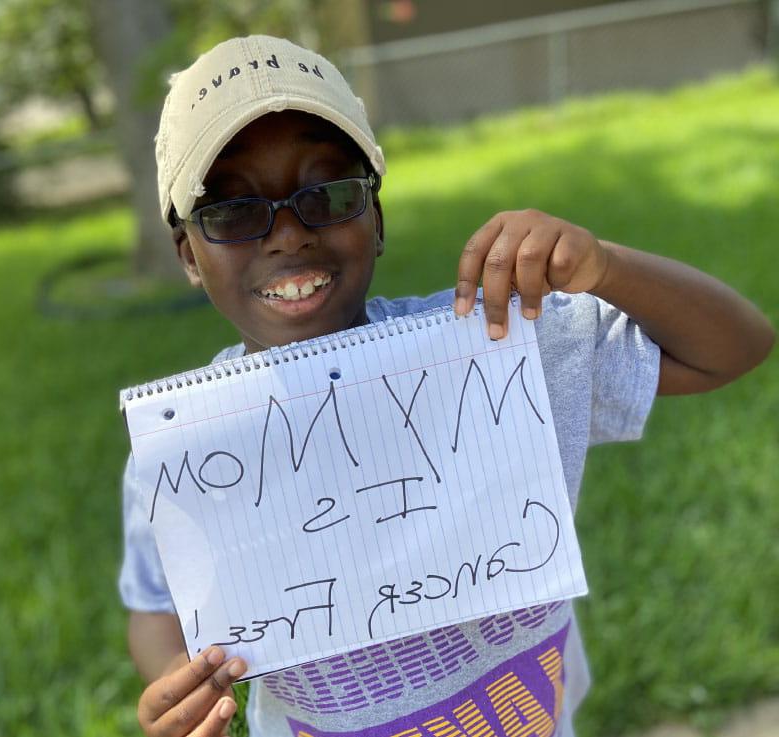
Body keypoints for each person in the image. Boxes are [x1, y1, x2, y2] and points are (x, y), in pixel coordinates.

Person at [119, 35, 774, 737]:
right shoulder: (187, 450)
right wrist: (173, 686)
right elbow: (157, 605)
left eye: (329, 191)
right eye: (233, 211)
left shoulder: (500, 347)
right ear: (189, 252)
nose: (287, 234)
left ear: (376, 216)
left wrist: (603, 267)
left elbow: (736, 346)